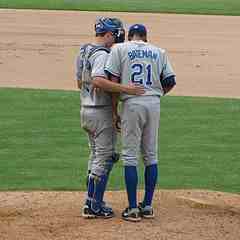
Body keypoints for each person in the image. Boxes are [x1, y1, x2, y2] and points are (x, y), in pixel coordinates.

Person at [105, 24, 176, 222]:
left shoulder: (119, 48)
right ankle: (148, 206)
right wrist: (156, 93)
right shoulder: (158, 51)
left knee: (130, 156)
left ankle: (133, 208)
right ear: (145, 37)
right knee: (151, 155)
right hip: (153, 104)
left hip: (131, 104)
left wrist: (114, 111)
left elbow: (113, 80)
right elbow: (170, 81)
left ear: (129, 36)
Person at [76, 18, 145, 219]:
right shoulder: (102, 54)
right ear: (107, 34)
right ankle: (92, 206)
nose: (116, 41)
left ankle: (92, 201)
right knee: (104, 157)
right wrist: (126, 89)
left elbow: (79, 82)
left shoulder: (83, 51)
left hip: (86, 110)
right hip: (100, 112)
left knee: (96, 155)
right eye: (115, 36)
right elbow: (98, 80)